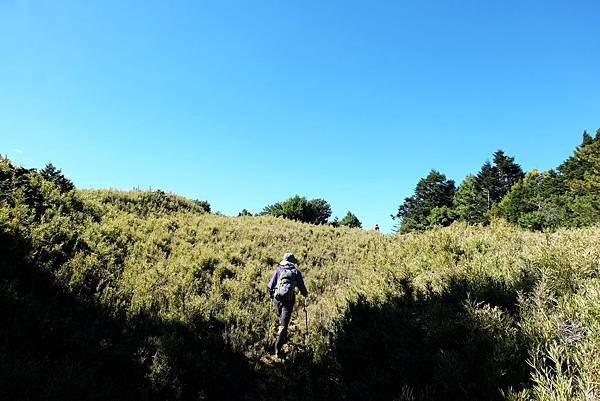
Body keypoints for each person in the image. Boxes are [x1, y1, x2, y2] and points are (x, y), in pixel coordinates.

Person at [267, 252, 308, 359]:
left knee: (282, 319)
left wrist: (272, 294)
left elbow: (270, 286)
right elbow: (302, 287)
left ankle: (282, 337)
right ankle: (277, 349)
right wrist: (305, 293)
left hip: (277, 299)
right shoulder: (295, 272)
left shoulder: (278, 270)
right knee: (283, 324)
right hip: (289, 300)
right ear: (292, 262)